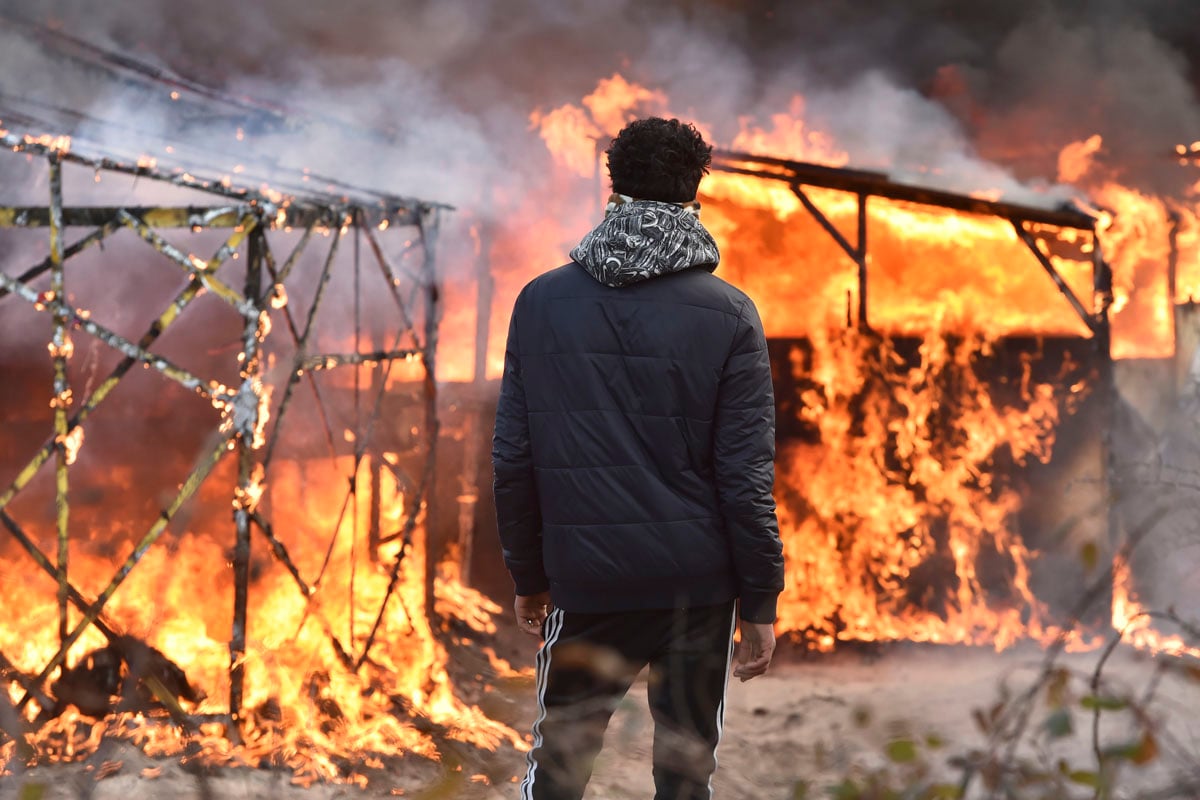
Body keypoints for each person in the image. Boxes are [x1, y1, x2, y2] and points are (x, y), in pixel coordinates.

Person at [492, 116, 785, 800]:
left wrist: (529, 574)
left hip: (587, 583)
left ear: (613, 188)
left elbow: (513, 458)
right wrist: (761, 601)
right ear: (694, 197)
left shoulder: (540, 302)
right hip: (698, 590)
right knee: (686, 779)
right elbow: (745, 479)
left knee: (558, 771)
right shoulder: (732, 314)